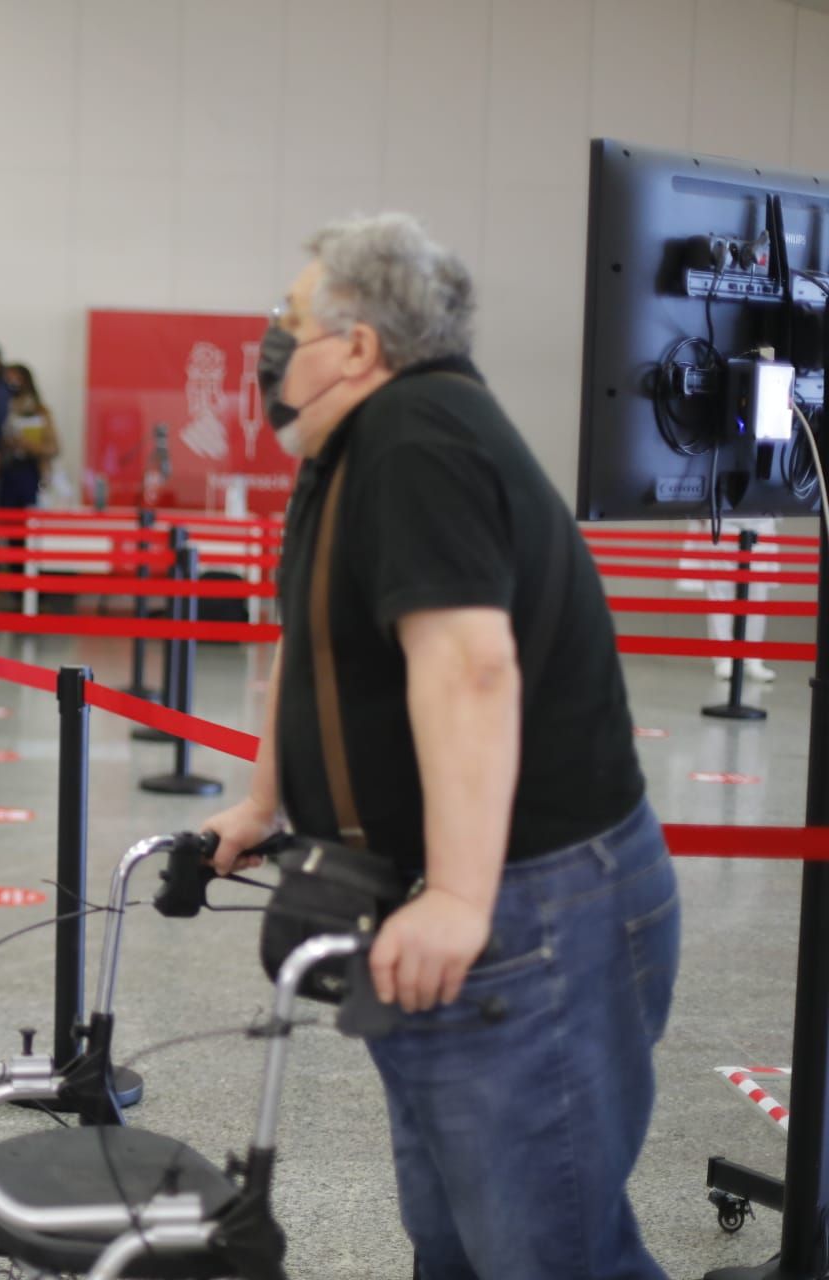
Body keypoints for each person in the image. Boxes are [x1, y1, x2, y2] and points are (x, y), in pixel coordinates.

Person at [203, 213, 676, 1279]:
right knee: (456, 1233)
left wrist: (460, 897)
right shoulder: (350, 450)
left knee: (547, 1247)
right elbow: (314, 636)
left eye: (289, 320)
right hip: (439, 900)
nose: (272, 342)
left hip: (533, 907)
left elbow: (470, 667)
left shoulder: (422, 441)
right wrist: (265, 797)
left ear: (359, 346)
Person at [683, 517, 780, 682]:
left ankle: (753, 658)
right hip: (723, 522)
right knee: (720, 596)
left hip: (760, 523)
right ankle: (723, 658)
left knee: (757, 599)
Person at [0, 362, 58, 509]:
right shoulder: (0, 406)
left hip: (30, 469)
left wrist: (30, 445)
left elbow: (53, 447)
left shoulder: (39, 411)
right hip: (4, 468)